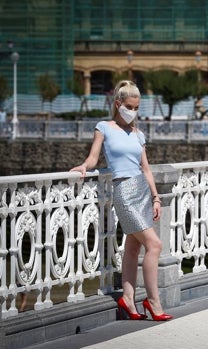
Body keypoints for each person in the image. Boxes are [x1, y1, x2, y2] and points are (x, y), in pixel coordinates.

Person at [70, 80, 172, 321]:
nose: (133, 111)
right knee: (154, 245)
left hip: (141, 190)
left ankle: (128, 298)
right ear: (118, 104)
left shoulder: (139, 134)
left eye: (137, 108)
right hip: (123, 191)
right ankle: (154, 302)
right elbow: (94, 157)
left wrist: (156, 198)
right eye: (129, 106)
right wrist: (84, 167)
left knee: (133, 247)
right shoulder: (103, 127)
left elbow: (146, 169)